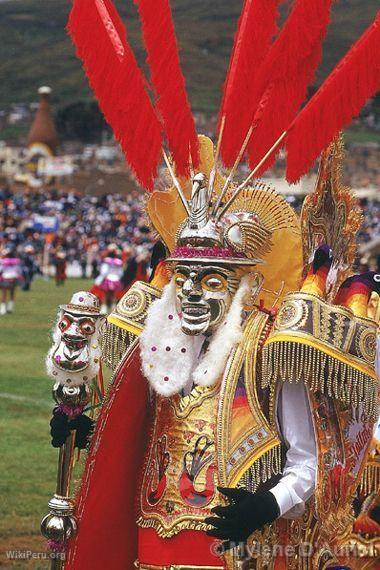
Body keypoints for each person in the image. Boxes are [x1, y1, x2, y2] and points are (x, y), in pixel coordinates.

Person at [50, 138, 379, 570]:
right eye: (184, 276)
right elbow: (144, 438)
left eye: (208, 280)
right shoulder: (160, 349)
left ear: (239, 284)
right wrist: (86, 433)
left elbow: (306, 462)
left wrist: (266, 506)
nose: (189, 291)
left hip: (235, 549)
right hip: (150, 539)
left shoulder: (266, 351)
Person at [0, 248, 24, 314]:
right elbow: (19, 271)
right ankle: (10, 308)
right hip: (14, 279)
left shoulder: (3, 262)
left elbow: (1, 270)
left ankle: (3, 309)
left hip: (5, 279)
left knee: (4, 294)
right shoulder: (16, 262)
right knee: (12, 293)